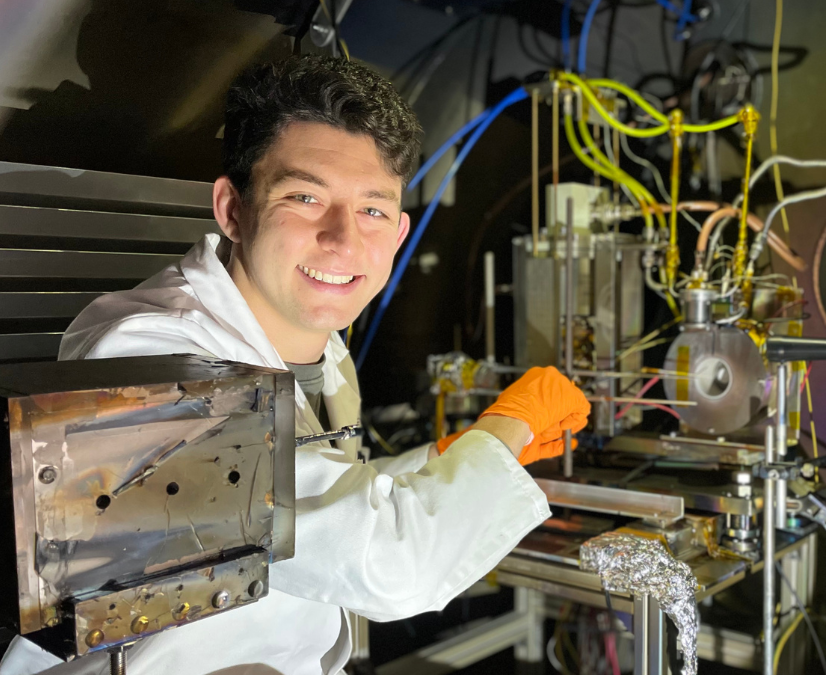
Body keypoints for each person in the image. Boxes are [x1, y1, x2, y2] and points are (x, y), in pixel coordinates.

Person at [0, 55, 589, 675]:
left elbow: (311, 506)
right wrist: (509, 426)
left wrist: (455, 455)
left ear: (398, 232)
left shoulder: (324, 351)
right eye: (304, 197)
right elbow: (390, 567)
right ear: (232, 210)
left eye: (372, 209)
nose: (342, 239)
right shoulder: (148, 356)